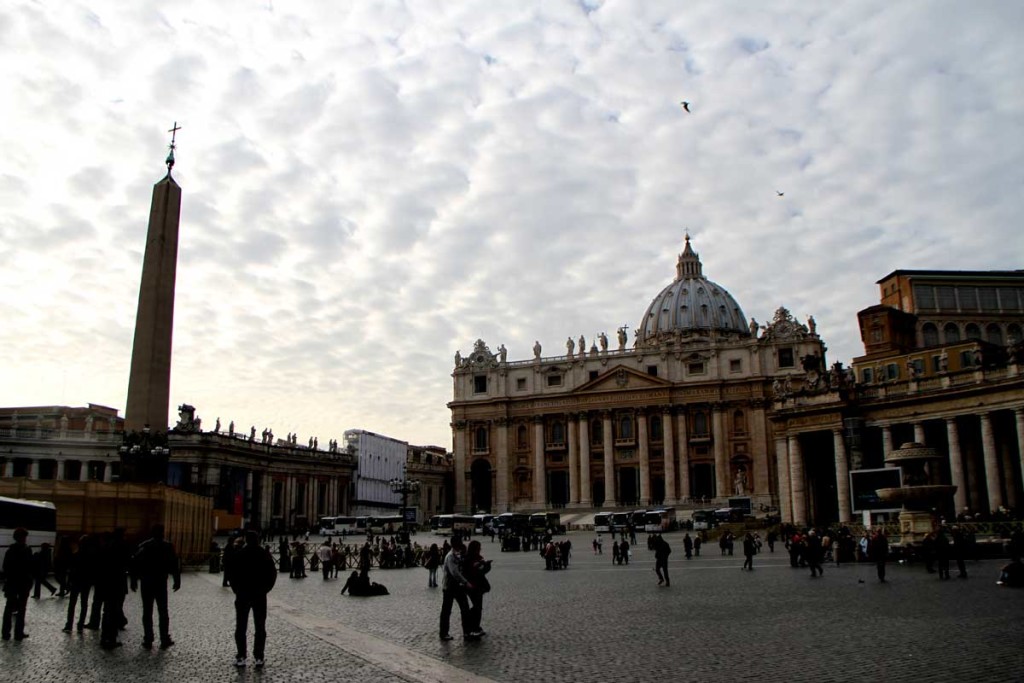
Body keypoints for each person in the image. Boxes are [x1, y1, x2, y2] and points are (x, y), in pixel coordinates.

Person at [225, 530, 277, 669]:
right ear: (258, 539)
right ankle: (259, 656)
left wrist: (237, 590)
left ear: (246, 540)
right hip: (259, 595)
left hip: (242, 595)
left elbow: (231, 574)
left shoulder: (239, 554)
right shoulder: (264, 554)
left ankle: (241, 656)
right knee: (260, 627)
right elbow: (272, 574)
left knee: (241, 626)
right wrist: (265, 589)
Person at [130, 524, 181, 649]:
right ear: (162, 533)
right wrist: (177, 579)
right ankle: (164, 638)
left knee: (147, 611)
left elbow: (135, 563)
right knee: (163, 611)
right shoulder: (167, 546)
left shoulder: (144, 546)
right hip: (160, 581)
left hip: (146, 581)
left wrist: (133, 580)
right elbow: (174, 563)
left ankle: (148, 638)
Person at [439, 537, 475, 641]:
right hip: (450, 587)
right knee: (447, 610)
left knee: (465, 609)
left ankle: (467, 632)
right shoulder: (450, 556)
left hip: (457, 586)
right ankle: (444, 633)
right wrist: (466, 582)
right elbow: (455, 572)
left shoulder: (456, 555)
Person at [2, 528, 34, 641]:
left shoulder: (10, 551)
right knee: (21, 608)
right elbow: (30, 567)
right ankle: (18, 632)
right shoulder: (27, 550)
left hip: (12, 583)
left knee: (9, 608)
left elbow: (5, 567)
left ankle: (6, 633)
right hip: (23, 583)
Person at [64, 535, 96, 632]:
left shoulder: (76, 555)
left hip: (76, 581)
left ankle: (69, 625)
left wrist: (68, 582)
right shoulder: (91, 557)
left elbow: (71, 570)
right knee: (84, 604)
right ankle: (80, 625)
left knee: (72, 604)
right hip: (86, 582)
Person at [463, 540, 492, 636]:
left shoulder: (478, 558)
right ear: (474, 549)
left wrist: (487, 566)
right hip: (472, 586)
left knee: (478, 607)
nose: (480, 550)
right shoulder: (468, 559)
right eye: (478, 548)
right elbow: (469, 572)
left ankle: (476, 626)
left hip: (479, 586)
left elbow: (482, 572)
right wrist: (478, 565)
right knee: (477, 607)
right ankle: (472, 626)